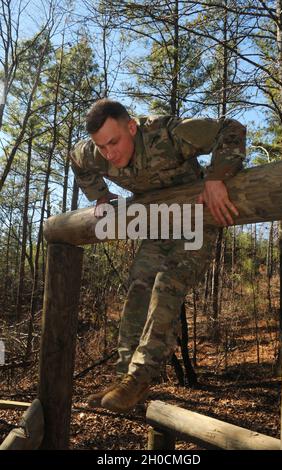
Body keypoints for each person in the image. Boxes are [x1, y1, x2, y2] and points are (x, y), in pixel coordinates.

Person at [69, 98, 246, 413]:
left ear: (132, 127)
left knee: (168, 282)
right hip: (157, 222)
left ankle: (141, 376)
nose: (110, 153)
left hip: (195, 219)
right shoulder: (93, 153)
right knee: (138, 285)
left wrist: (217, 175)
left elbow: (230, 128)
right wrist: (100, 195)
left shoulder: (167, 133)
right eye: (102, 147)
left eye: (114, 142)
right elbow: (76, 160)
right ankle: (123, 378)